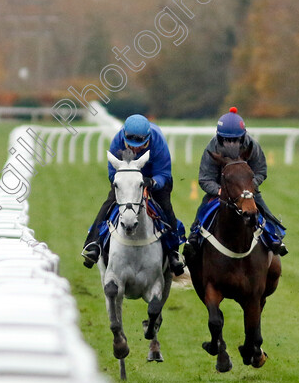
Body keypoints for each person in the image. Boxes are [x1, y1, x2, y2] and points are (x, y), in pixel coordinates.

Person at [81, 114, 186, 276]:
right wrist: (129, 182)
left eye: (140, 145)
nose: (136, 149)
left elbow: (164, 174)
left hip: (154, 179)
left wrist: (150, 183)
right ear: (124, 137)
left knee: (165, 207)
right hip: (126, 179)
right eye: (131, 145)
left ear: (148, 139)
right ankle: (93, 244)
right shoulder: (117, 141)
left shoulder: (158, 142)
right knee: (110, 202)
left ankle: (173, 252)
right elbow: (112, 174)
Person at [183, 107, 287, 259]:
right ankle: (193, 238)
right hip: (221, 190)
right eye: (227, 140)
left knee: (264, 211)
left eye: (236, 140)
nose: (232, 143)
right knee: (203, 210)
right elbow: (205, 178)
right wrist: (219, 191)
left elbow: (261, 171)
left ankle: (274, 236)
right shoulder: (212, 148)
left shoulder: (252, 145)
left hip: (247, 190)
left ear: (242, 136)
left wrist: (249, 187)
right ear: (220, 137)